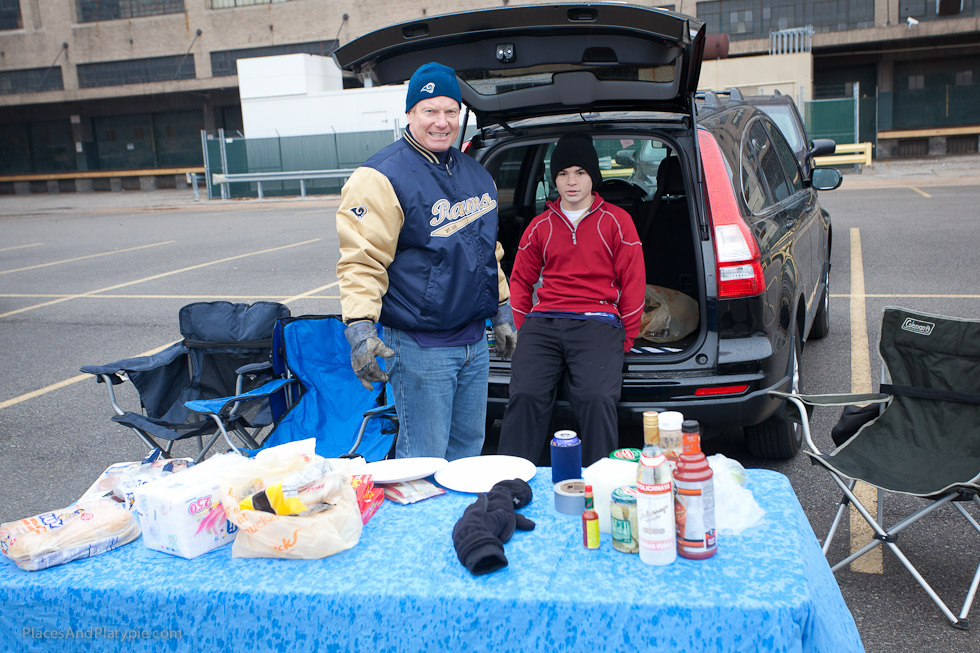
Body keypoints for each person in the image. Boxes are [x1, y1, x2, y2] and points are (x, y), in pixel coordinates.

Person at [335, 62, 517, 461]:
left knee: (468, 454)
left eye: (451, 111)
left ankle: (464, 526)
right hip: (421, 347)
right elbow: (361, 261)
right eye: (430, 110)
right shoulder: (380, 177)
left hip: (475, 344)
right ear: (410, 114)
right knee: (424, 460)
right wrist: (361, 328)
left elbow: (489, 251)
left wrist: (502, 311)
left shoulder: (475, 173)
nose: (442, 122)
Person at [497, 132, 645, 466]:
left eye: (580, 172)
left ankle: (600, 481)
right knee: (525, 395)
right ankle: (511, 485)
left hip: (598, 321)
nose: (571, 181)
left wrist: (628, 336)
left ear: (593, 176)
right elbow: (520, 279)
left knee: (595, 397)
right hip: (543, 322)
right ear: (554, 179)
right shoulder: (540, 226)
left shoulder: (617, 222)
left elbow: (634, 281)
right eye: (563, 173)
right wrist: (519, 327)